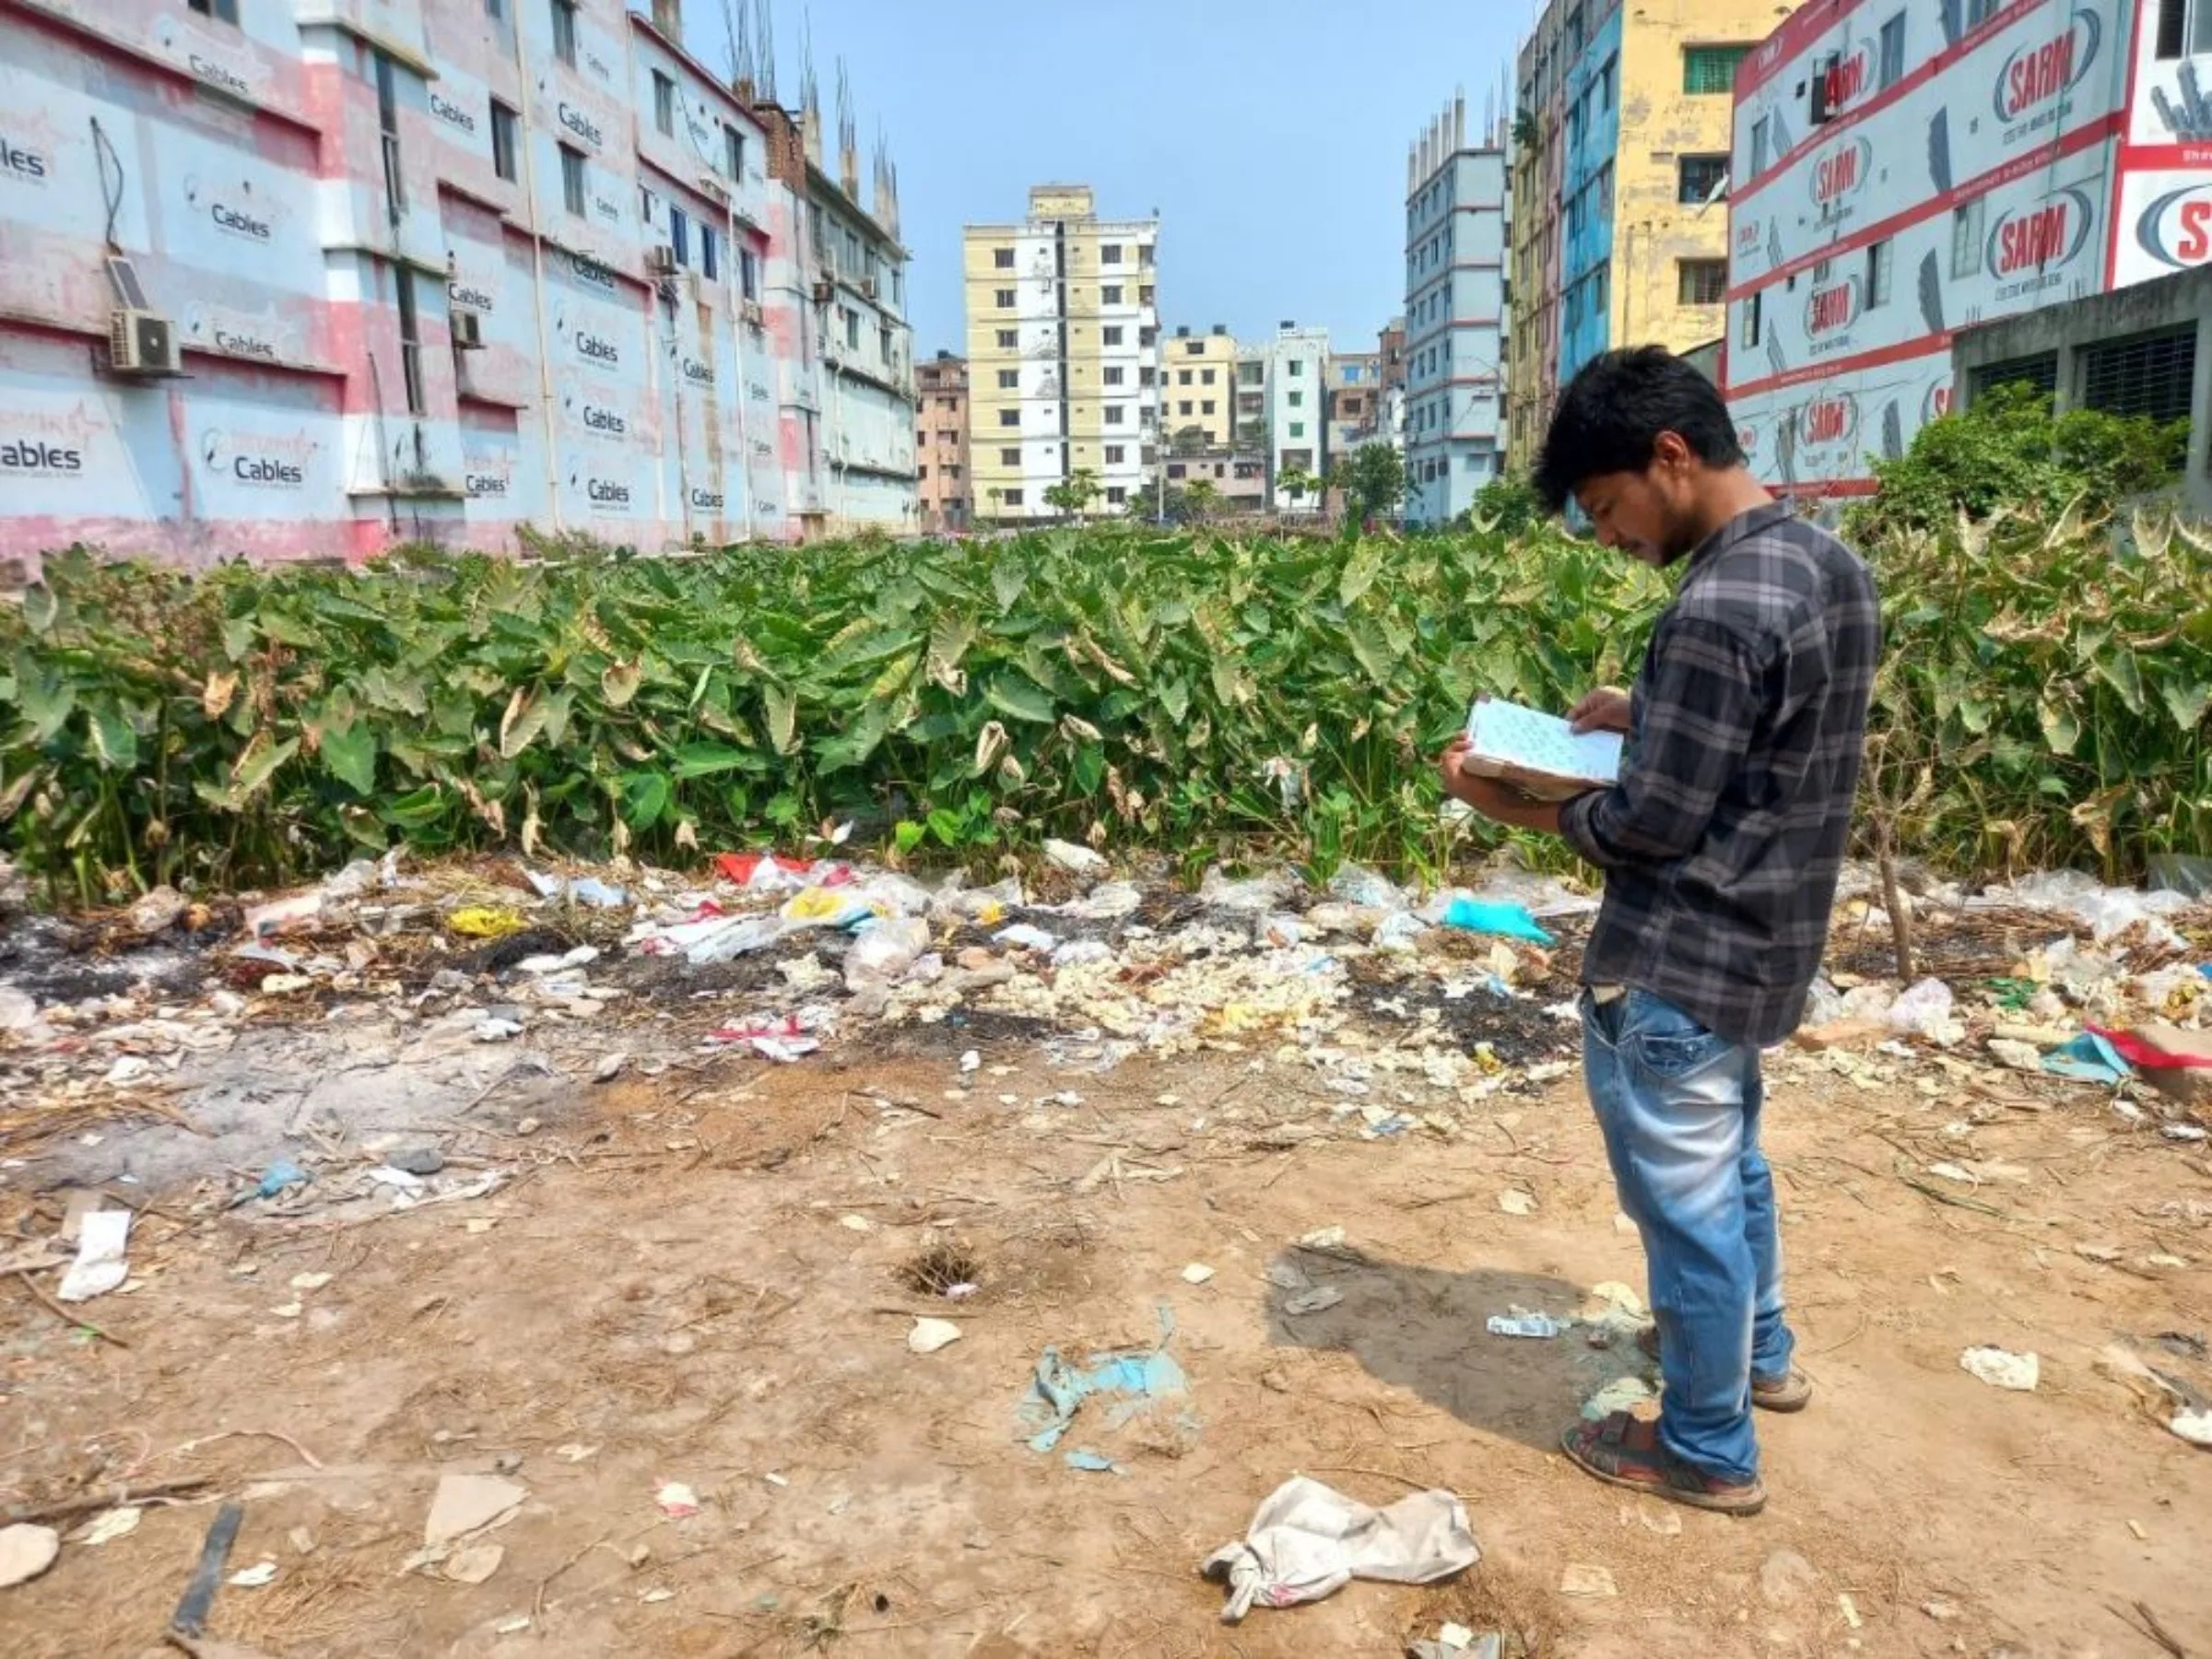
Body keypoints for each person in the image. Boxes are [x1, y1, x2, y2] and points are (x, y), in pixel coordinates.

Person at [1440, 347, 1880, 1516]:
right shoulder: (1823, 561)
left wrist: (1510, 796)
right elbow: (1774, 720)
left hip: (1681, 959)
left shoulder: (1715, 605)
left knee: (1684, 1211)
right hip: (1766, 947)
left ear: (1669, 457)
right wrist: (1652, 710)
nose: (1608, 537)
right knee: (1732, 1170)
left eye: (1606, 507)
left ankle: (1705, 1446)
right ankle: (1762, 1356)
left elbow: (1646, 823)